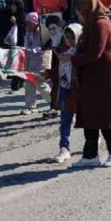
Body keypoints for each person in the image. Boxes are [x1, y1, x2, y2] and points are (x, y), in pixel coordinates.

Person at [70, 0, 111, 166]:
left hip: (104, 76)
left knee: (106, 115)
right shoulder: (92, 24)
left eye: (80, 12)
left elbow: (94, 53)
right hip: (93, 76)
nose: (78, 16)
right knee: (91, 114)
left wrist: (72, 59)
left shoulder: (100, 24)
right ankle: (90, 155)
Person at [49, 23, 82, 163]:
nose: (69, 40)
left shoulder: (82, 54)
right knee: (65, 120)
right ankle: (64, 148)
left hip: (79, 90)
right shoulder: (63, 52)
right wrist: (48, 73)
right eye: (67, 37)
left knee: (86, 118)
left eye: (72, 37)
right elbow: (58, 69)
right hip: (65, 89)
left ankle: (93, 140)